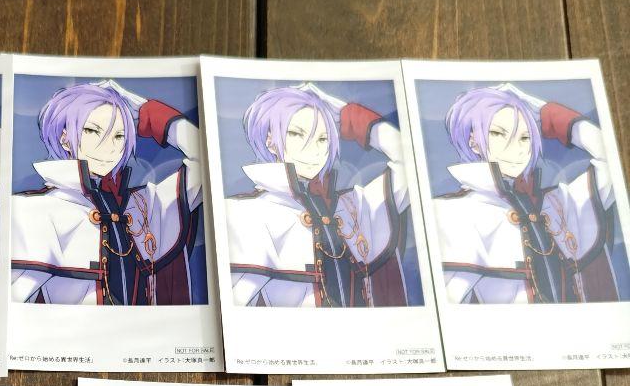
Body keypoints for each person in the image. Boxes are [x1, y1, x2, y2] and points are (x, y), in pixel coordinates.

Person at [11, 79, 203, 305]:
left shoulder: (141, 204)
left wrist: (149, 113)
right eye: (92, 131)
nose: (109, 147)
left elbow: (204, 162)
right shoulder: (36, 209)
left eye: (119, 136)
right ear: (64, 139)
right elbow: (14, 303)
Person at [227, 82, 410, 307]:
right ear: (270, 141)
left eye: (323, 138)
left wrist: (350, 117)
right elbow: (233, 309)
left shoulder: (351, 206)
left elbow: (412, 164)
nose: (313, 150)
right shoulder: (249, 212)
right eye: (297, 134)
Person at [436, 82, 622, 303]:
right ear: (473, 142)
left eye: (525, 137)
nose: (516, 148)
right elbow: (447, 308)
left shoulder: (555, 204)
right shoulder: (455, 212)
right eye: (498, 134)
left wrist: (549, 114)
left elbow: (611, 160)